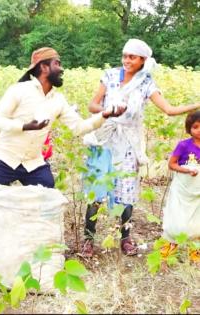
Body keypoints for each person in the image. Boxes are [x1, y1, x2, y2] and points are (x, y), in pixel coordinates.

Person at [0, 47, 126, 272]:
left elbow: (78, 127)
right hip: (5, 158)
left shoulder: (58, 100)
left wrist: (104, 115)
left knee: (50, 203)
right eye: (57, 63)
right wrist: (25, 126)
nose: (61, 68)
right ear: (43, 67)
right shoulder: (20, 90)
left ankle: (45, 253)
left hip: (34, 162)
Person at [81, 39, 200, 257]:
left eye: (132, 57)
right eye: (125, 56)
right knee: (96, 190)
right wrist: (109, 110)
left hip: (128, 142)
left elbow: (169, 110)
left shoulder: (146, 83)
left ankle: (125, 239)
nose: (127, 60)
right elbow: (92, 105)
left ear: (142, 60)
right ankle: (88, 240)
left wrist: (196, 104)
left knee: (127, 190)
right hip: (103, 138)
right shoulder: (109, 76)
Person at [161, 111, 200, 262]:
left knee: (197, 219)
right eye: (195, 127)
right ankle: (169, 249)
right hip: (183, 189)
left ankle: (195, 252)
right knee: (176, 218)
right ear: (189, 128)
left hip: (198, 191)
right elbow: (171, 164)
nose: (199, 130)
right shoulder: (183, 145)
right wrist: (187, 170)